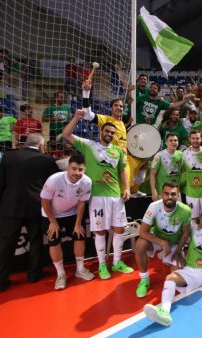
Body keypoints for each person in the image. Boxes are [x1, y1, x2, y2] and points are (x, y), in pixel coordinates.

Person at [62, 109, 133, 280]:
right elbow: (66, 134)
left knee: (119, 229)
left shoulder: (118, 151)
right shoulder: (88, 145)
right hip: (97, 197)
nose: (109, 134)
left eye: (112, 132)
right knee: (100, 232)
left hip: (116, 196)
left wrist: (127, 188)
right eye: (107, 131)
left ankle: (116, 261)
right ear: (101, 131)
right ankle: (102, 265)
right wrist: (77, 117)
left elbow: (122, 170)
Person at [0, 133, 59, 292]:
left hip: (10, 207)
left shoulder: (8, 157)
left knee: (4, 246)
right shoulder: (47, 161)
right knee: (36, 241)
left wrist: (2, 204)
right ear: (42, 145)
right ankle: (34, 275)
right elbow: (54, 186)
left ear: (24, 144)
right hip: (36, 207)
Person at [40, 153, 94, 290]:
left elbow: (81, 204)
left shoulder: (87, 182)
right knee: (55, 242)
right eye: (74, 169)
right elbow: (45, 201)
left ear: (85, 170)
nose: (76, 173)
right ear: (68, 168)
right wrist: (53, 222)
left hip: (71, 213)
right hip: (51, 215)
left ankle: (80, 270)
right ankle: (61, 274)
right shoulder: (54, 180)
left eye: (80, 170)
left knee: (80, 236)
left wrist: (77, 224)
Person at [134, 182, 191, 298]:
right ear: (161, 194)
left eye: (173, 194)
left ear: (178, 195)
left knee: (180, 281)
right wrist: (163, 242)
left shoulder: (185, 210)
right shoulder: (153, 207)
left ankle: (168, 261)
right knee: (140, 244)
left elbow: (186, 233)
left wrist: (179, 251)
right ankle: (144, 279)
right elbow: (143, 232)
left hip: (175, 244)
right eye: (166, 194)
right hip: (158, 241)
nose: (169, 197)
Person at [149, 133, 183, 201]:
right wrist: (153, 191)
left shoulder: (181, 155)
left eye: (175, 140)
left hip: (176, 192)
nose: (173, 142)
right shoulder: (159, 156)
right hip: (162, 193)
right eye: (171, 140)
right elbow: (152, 174)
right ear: (166, 142)